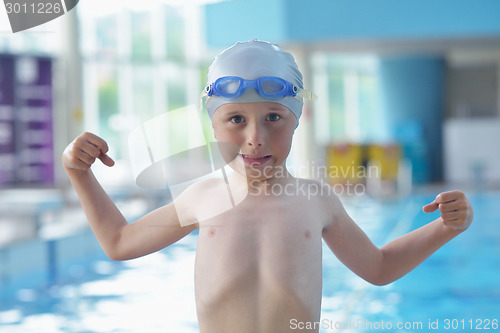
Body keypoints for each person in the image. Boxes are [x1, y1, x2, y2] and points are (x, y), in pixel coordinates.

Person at [62, 39, 473, 333]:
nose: (255, 137)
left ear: (297, 120)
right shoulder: (202, 196)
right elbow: (118, 242)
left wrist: (445, 228)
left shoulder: (316, 200)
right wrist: (80, 174)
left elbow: (379, 268)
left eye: (274, 118)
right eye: (236, 119)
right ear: (214, 126)